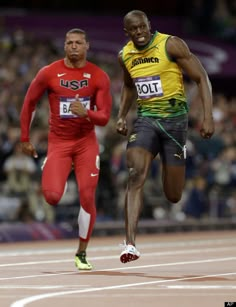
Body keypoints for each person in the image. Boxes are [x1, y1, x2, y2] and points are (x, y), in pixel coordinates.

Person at [116, 10, 214, 263]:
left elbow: (201, 77)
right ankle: (130, 244)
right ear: (126, 32)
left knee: (173, 195)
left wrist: (207, 117)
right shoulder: (125, 54)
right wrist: (121, 115)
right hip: (146, 121)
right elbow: (129, 86)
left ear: (149, 25)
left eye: (142, 27)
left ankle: (165, 162)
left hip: (175, 124)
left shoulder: (171, 44)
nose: (139, 33)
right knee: (135, 173)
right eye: (133, 30)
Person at [20, 28, 112, 270]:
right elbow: (29, 103)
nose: (73, 46)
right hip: (59, 143)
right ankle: (52, 164)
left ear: (87, 46)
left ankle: (81, 252)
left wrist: (87, 113)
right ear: (64, 46)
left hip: (85, 144)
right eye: (69, 42)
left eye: (78, 43)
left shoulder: (99, 76)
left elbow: (104, 117)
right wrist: (24, 138)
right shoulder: (49, 72)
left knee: (87, 195)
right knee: (51, 197)